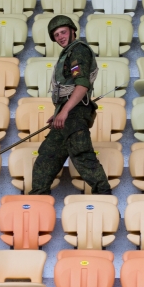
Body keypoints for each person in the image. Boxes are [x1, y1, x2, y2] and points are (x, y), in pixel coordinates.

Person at [29, 15, 112, 195]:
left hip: (74, 114)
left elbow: (82, 85)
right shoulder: (68, 52)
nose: (60, 37)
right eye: (56, 35)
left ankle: (105, 198)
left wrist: (65, 111)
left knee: (82, 156)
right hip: (66, 113)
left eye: (63, 32)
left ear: (73, 30)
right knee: (46, 159)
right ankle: (38, 200)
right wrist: (59, 112)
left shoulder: (78, 51)